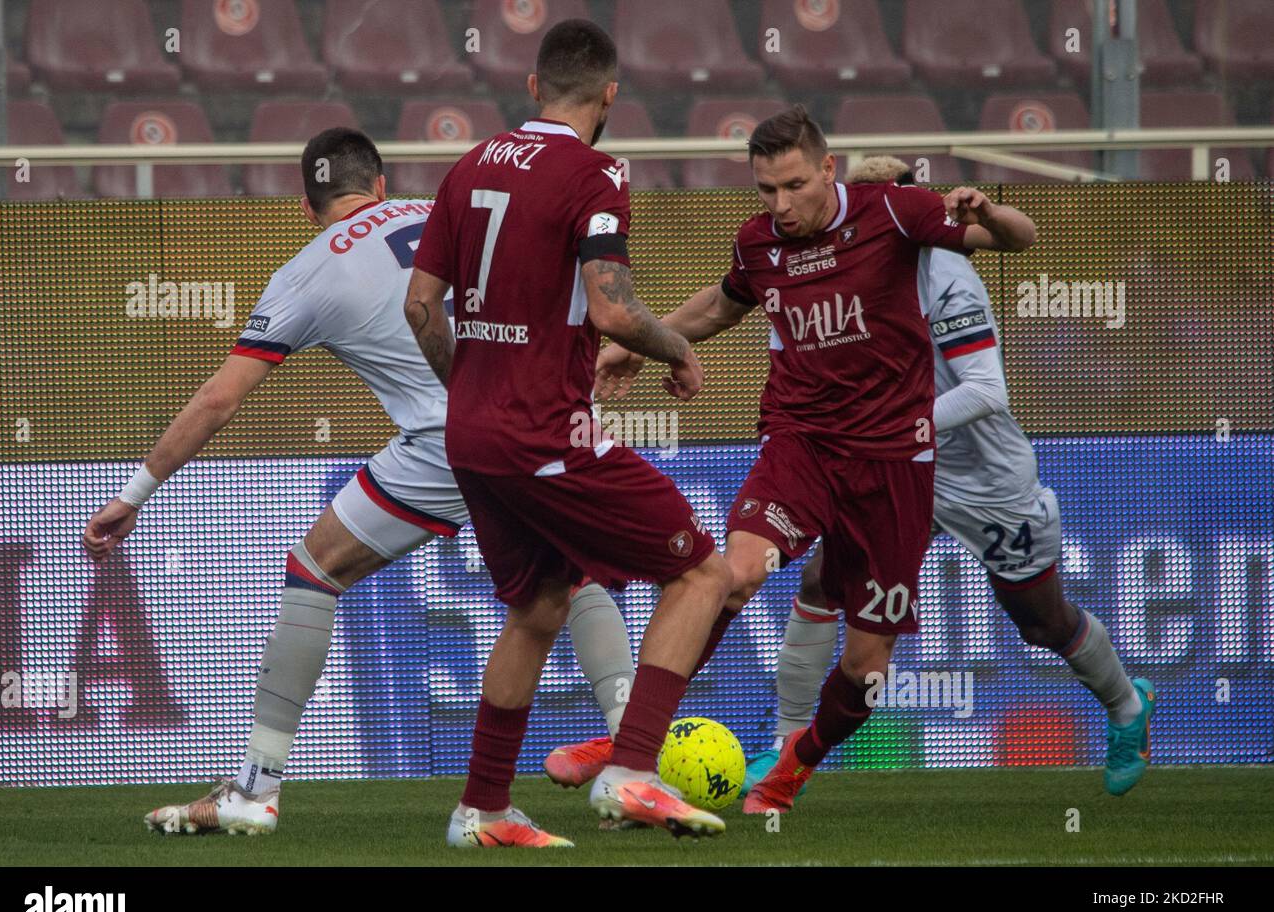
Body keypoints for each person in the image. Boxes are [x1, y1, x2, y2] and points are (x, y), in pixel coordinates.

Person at [81, 127, 619, 843]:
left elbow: (220, 398)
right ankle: (634, 755)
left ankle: (256, 788)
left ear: (308, 208)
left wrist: (133, 495)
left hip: (446, 443)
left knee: (314, 568)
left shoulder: (307, 269)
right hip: (534, 419)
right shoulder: (449, 211)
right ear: (383, 186)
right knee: (568, 573)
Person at [553, 107, 1037, 814]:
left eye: (793, 186)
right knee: (730, 574)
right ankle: (634, 740)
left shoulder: (897, 213)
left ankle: (794, 765)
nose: (779, 205)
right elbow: (721, 306)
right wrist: (634, 344)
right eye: (765, 190)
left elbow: (1023, 242)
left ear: (828, 170)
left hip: (894, 464)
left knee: (867, 669)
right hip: (801, 442)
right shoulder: (757, 243)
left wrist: (989, 212)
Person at [405, 19, 733, 845]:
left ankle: (481, 809)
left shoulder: (469, 163)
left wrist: (471, 388)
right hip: (545, 432)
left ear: (532, 87)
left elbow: (418, 303)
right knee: (703, 573)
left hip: (472, 433)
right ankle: (630, 771)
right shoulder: (596, 172)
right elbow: (611, 305)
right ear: (610, 95)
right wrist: (674, 346)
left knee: (538, 605)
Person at [741, 158, 1154, 807]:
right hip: (895, 468)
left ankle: (1128, 706)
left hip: (981, 477)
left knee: (1040, 623)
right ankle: (785, 745)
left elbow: (988, 391)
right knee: (824, 578)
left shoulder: (942, 270)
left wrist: (883, 426)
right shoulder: (830, 264)